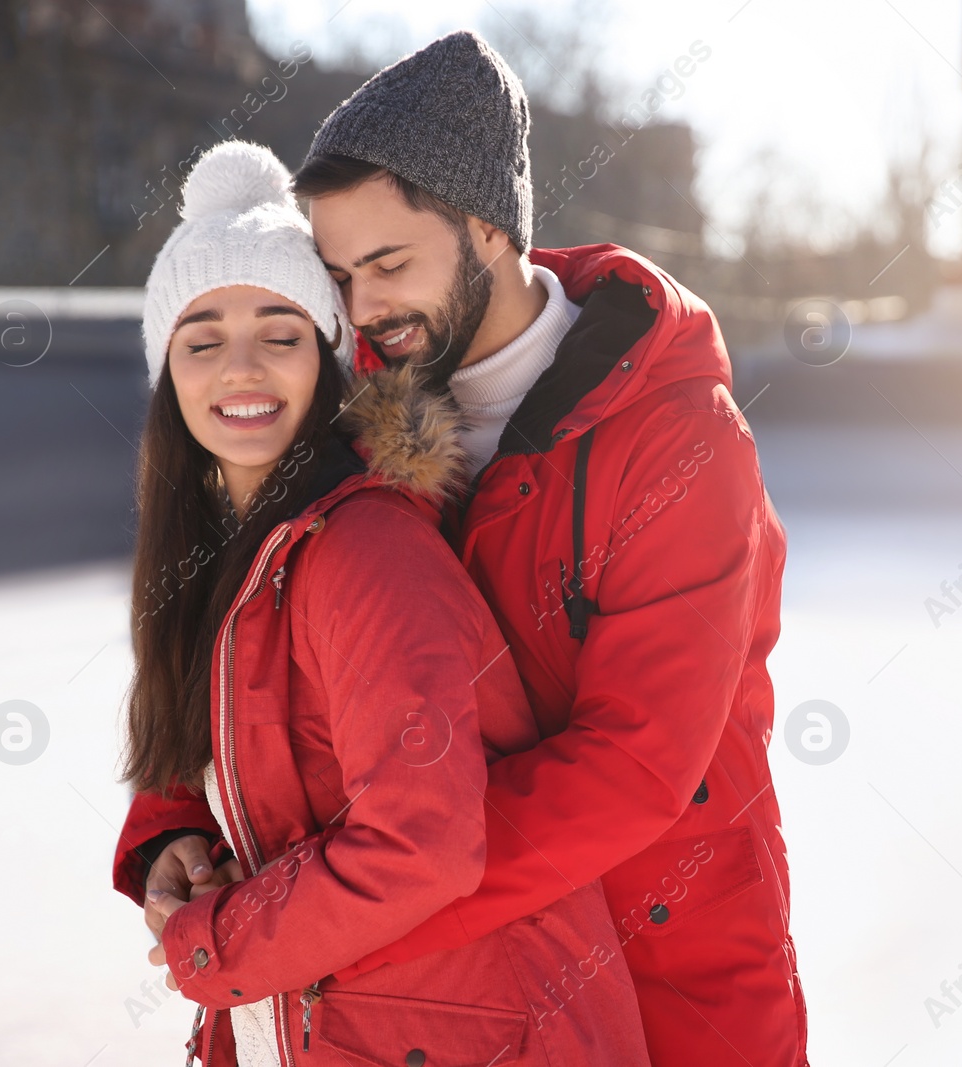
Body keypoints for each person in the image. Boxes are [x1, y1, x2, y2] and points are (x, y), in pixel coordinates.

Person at [114, 139, 649, 1067]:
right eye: (202, 341)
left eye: (281, 335)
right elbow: (242, 757)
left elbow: (421, 843)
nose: (241, 368)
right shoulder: (227, 558)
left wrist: (218, 943)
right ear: (169, 378)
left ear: (327, 361)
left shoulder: (362, 549)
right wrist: (177, 834)